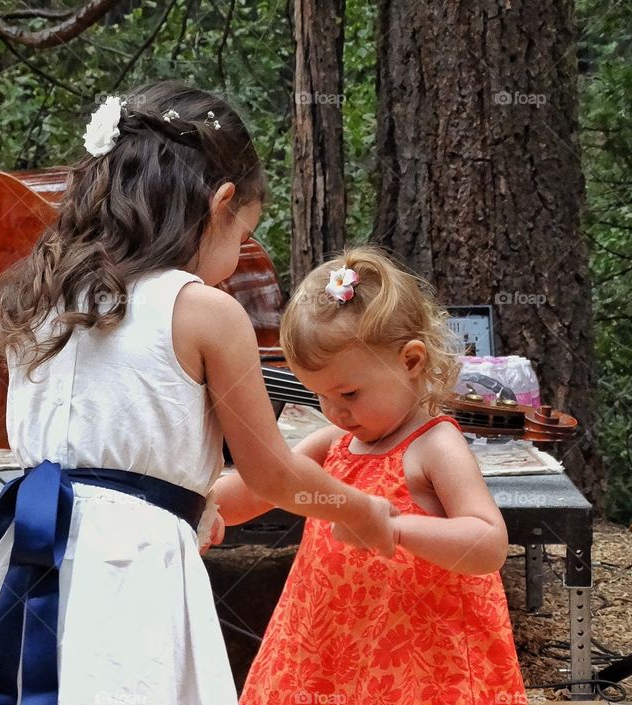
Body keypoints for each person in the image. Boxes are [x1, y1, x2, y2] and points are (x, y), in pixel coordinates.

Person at [0, 82, 397, 705]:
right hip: (128, 575)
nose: (236, 260)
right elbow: (274, 472)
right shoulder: (206, 311)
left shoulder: (37, 295)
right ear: (222, 203)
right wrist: (359, 510)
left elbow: (94, 456)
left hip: (19, 555)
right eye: (244, 233)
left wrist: (190, 502)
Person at [213, 247, 527, 705]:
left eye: (349, 393)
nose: (336, 412)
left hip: (417, 661)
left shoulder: (435, 446)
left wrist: (396, 528)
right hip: (329, 649)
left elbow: (488, 542)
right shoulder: (331, 445)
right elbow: (261, 485)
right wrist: (201, 505)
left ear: (412, 360)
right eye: (320, 397)